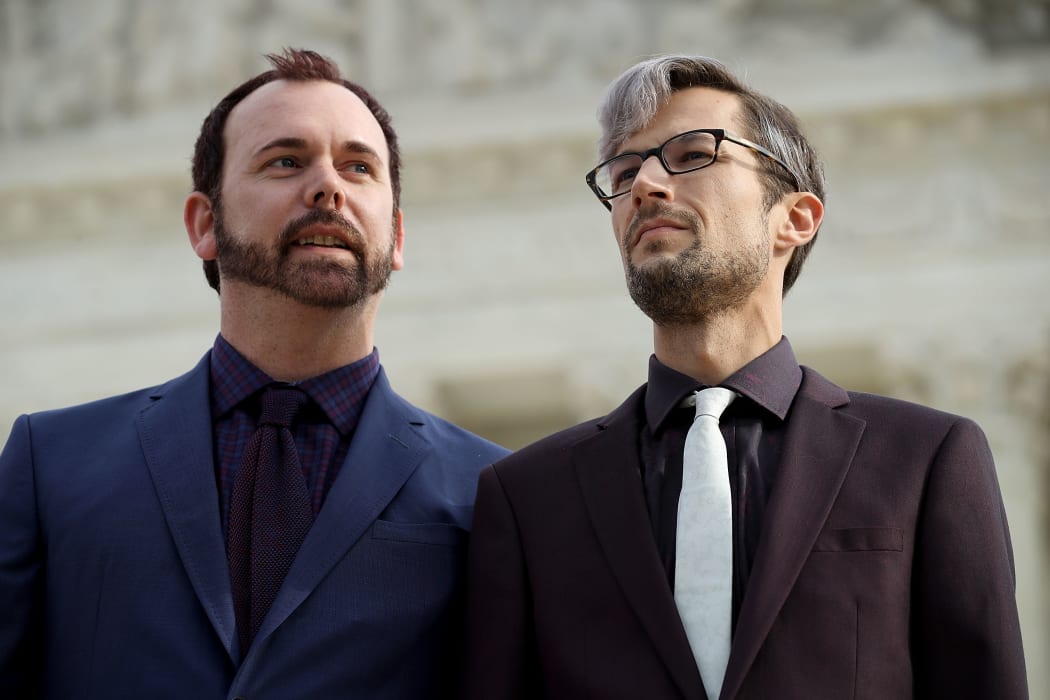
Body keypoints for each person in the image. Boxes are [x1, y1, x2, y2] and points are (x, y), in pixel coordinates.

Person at [464, 55, 1027, 700]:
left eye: (692, 154)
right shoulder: (526, 496)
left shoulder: (926, 461)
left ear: (795, 218)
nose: (645, 182)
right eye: (623, 171)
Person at [0, 48, 508, 699]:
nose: (329, 187)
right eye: (286, 161)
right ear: (205, 224)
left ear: (398, 235)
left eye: (359, 167)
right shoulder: (52, 467)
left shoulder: (493, 493)